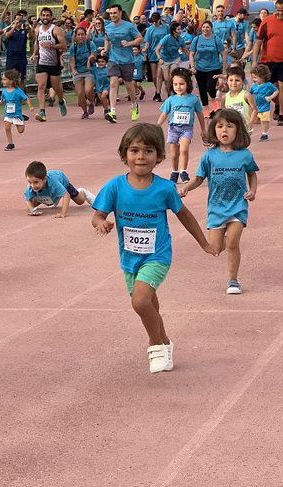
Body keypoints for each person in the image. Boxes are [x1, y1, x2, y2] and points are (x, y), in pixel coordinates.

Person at [91, 123, 216, 374]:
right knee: (150, 304)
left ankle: (155, 343)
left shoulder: (164, 188)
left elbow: (185, 216)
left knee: (139, 302)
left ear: (159, 156)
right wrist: (101, 223)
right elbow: (97, 215)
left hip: (157, 256)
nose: (140, 156)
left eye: (148, 151)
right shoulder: (114, 187)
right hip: (129, 259)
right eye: (135, 150)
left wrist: (204, 242)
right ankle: (166, 341)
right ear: (124, 154)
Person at [179, 109, 257, 295]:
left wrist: (253, 190)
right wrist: (186, 188)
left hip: (238, 206)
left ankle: (233, 280)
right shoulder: (208, 156)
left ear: (238, 130)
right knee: (215, 248)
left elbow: (252, 174)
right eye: (220, 126)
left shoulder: (244, 155)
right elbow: (198, 179)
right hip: (216, 207)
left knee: (232, 243)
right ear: (214, 130)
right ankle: (223, 244)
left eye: (230, 126)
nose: (225, 130)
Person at [157, 67, 206, 184]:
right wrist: (157, 126)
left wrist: (203, 129)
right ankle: (174, 172)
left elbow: (200, 114)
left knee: (184, 150)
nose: (178, 87)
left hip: (186, 129)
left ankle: (183, 171)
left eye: (181, 84)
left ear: (188, 84)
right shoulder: (171, 99)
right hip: (173, 129)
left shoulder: (193, 99)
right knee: (174, 154)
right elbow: (164, 114)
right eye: (175, 84)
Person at [102, 4, 143, 123]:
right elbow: (107, 39)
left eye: (115, 13)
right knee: (113, 82)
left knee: (129, 85)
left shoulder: (129, 26)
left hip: (127, 60)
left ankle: (134, 105)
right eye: (110, 13)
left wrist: (129, 43)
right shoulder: (108, 27)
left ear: (120, 13)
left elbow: (140, 38)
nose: (112, 15)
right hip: (113, 59)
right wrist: (106, 49)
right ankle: (113, 111)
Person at [31, 7, 67, 122]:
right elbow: (37, 43)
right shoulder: (37, 29)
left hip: (54, 63)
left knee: (56, 87)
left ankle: (61, 100)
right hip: (41, 62)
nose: (45, 17)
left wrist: (51, 46)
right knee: (41, 86)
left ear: (51, 17)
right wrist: (34, 54)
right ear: (40, 16)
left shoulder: (56, 30)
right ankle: (42, 111)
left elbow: (64, 46)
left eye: (47, 15)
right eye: (43, 15)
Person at [23, 160, 95, 218]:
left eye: (36, 182)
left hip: (63, 182)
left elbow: (66, 195)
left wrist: (62, 213)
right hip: (48, 191)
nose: (33, 185)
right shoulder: (31, 186)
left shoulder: (54, 182)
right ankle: (53, 199)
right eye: (30, 182)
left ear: (44, 179)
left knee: (80, 201)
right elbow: (27, 199)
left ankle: (83, 192)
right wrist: (33, 211)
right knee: (32, 204)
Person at [189, 20, 226, 118]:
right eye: (204, 27)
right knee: (202, 89)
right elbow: (191, 54)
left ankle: (214, 100)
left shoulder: (216, 39)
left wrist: (224, 69)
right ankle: (206, 109)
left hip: (214, 67)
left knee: (210, 87)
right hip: (199, 68)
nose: (205, 29)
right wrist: (192, 66)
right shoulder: (197, 39)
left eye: (207, 27)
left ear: (211, 29)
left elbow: (223, 53)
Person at [0, 69, 31, 151]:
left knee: (21, 130)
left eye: (4, 79)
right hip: (8, 114)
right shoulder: (4, 92)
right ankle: (10, 144)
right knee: (7, 128)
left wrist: (30, 106)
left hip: (16, 114)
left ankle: (21, 117)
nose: (2, 81)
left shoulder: (17, 91)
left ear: (11, 81)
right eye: (2, 79)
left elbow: (26, 99)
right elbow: (2, 101)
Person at [69, 26, 97, 119]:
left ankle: (91, 102)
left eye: (82, 34)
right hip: (78, 72)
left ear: (85, 35)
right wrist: (73, 70)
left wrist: (91, 57)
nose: (80, 36)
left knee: (88, 90)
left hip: (89, 71)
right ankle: (85, 111)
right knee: (80, 94)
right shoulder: (74, 47)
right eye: (78, 35)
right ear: (75, 36)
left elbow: (94, 54)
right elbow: (72, 60)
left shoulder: (90, 44)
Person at [156, 21, 185, 101]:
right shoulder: (167, 38)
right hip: (164, 59)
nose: (180, 31)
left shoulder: (180, 39)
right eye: (178, 29)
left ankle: (174, 93)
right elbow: (157, 49)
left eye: (180, 29)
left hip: (175, 59)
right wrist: (159, 58)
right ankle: (169, 95)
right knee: (166, 79)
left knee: (173, 74)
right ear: (174, 30)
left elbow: (185, 50)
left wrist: (192, 59)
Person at [144, 13, 169, 102]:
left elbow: (169, 38)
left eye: (155, 21)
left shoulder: (166, 28)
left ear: (159, 20)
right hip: (152, 53)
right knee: (154, 76)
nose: (154, 23)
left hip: (163, 54)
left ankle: (158, 93)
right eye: (152, 21)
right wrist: (145, 49)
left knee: (159, 75)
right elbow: (147, 42)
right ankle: (156, 90)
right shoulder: (150, 29)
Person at [223, 66, 257, 133]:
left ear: (242, 82)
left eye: (237, 80)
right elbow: (223, 113)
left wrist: (250, 123)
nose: (234, 83)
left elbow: (255, 110)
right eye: (231, 80)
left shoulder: (246, 95)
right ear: (227, 81)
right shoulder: (225, 97)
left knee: (241, 143)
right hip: (230, 129)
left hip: (244, 129)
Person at [250, 63, 279, 141]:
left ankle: (264, 133)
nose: (254, 79)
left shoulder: (268, 85)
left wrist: (270, 97)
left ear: (262, 77)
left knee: (264, 121)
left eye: (255, 77)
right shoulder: (254, 86)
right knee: (253, 120)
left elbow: (276, 91)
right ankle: (248, 132)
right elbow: (249, 93)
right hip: (256, 106)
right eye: (253, 77)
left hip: (265, 106)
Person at [0, 6, 29, 78]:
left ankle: (21, 89)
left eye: (20, 20)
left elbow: (31, 37)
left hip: (22, 58)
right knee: (9, 78)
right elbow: (7, 36)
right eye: (17, 19)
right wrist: (14, 27)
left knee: (21, 78)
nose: (18, 21)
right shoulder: (10, 28)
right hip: (11, 58)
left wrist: (28, 26)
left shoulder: (24, 29)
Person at [92, 54, 111, 119]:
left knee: (103, 96)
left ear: (106, 62)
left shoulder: (108, 69)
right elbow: (88, 68)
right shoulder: (95, 69)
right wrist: (89, 59)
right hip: (98, 87)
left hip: (106, 86)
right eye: (99, 62)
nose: (101, 63)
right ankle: (106, 108)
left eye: (102, 62)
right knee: (102, 99)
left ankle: (107, 110)